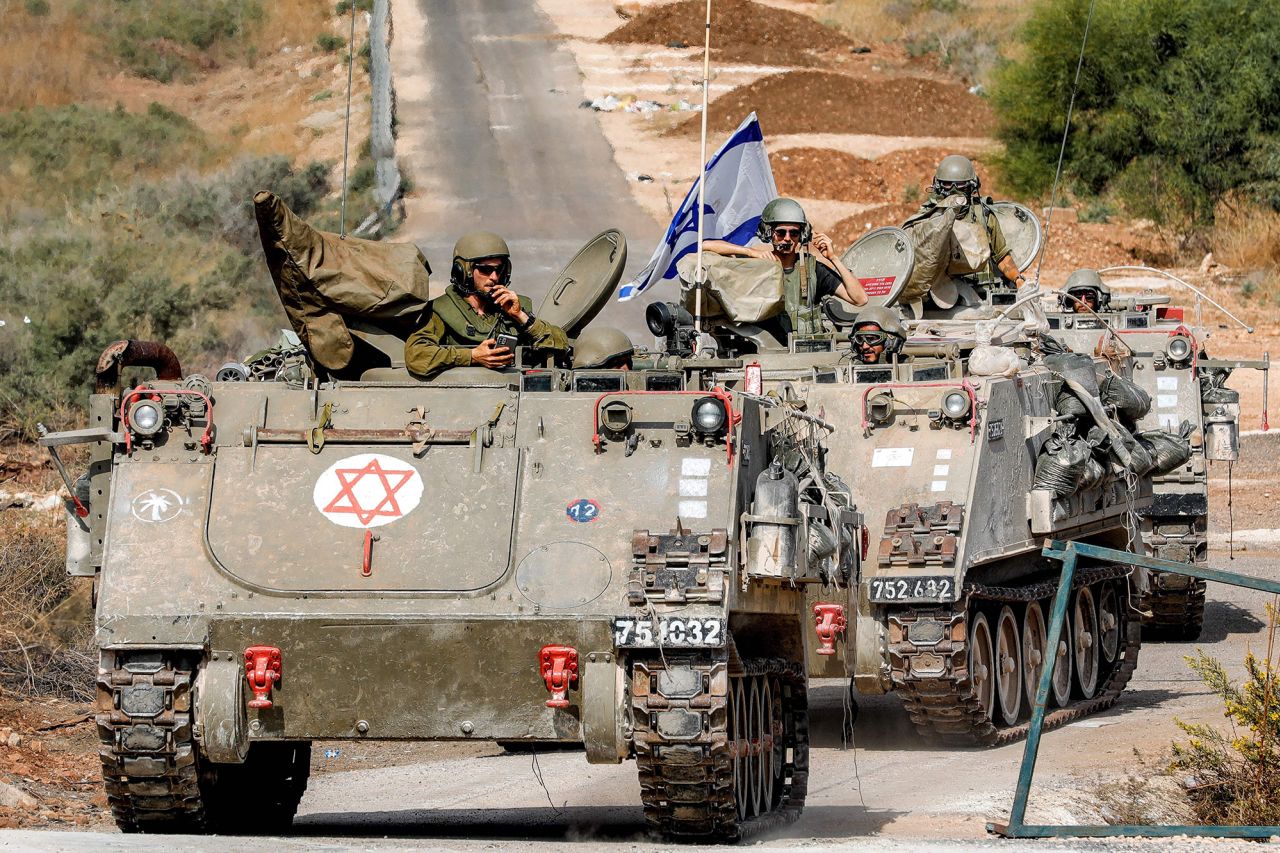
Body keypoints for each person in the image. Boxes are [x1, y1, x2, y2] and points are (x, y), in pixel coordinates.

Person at [405, 232, 568, 379]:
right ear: (463, 271)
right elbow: (417, 356)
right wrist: (472, 355)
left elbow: (561, 344)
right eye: (485, 270)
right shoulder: (442, 310)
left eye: (499, 269)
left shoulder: (509, 307)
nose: (494, 277)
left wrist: (521, 316)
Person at [701, 197, 867, 338]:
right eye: (781, 233)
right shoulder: (756, 266)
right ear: (768, 233)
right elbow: (705, 246)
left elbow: (859, 299)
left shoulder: (813, 269)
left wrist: (833, 258)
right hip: (766, 351)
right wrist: (749, 252)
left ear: (801, 235)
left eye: (793, 233)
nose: (787, 239)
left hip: (806, 352)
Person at [922, 155, 1026, 290]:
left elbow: (1001, 257)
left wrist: (1019, 280)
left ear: (972, 185)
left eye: (959, 184)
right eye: (948, 184)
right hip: (943, 295)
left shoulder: (984, 215)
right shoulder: (927, 218)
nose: (954, 189)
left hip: (982, 292)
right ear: (938, 185)